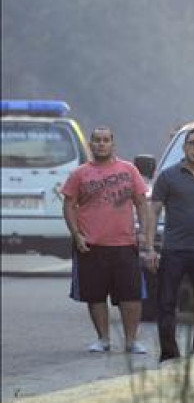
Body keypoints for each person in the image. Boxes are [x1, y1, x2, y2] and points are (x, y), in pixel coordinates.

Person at [62, 126, 154, 354]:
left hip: (125, 244)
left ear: (113, 144)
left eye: (106, 140)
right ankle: (103, 340)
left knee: (131, 296)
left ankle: (131, 341)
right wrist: (76, 234)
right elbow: (68, 205)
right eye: (97, 140)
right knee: (95, 296)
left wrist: (143, 232)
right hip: (91, 246)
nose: (101, 144)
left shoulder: (129, 170)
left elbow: (142, 203)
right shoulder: (79, 174)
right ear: (91, 145)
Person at [145, 128, 194, 363]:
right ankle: (169, 353)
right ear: (184, 147)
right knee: (167, 303)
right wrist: (150, 247)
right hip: (174, 250)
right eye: (192, 143)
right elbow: (154, 211)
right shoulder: (168, 176)